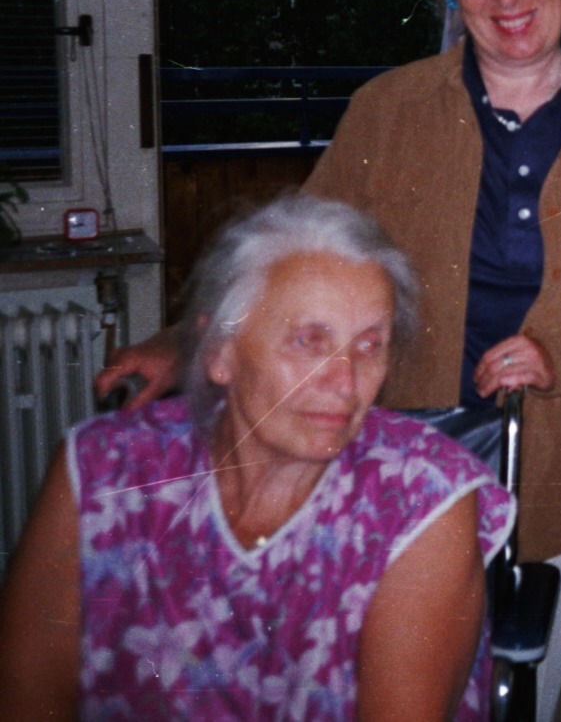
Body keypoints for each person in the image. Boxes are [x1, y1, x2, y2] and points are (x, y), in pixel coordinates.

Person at [95, 0, 561, 716]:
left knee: (519, 693)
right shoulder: (388, 111)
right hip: (379, 464)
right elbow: (286, 261)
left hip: (550, 477)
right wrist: (183, 343)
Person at [0, 194, 514, 719]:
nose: (346, 384)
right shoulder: (101, 466)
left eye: (369, 346)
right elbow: (26, 698)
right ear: (220, 354)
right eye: (308, 341)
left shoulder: (422, 497)